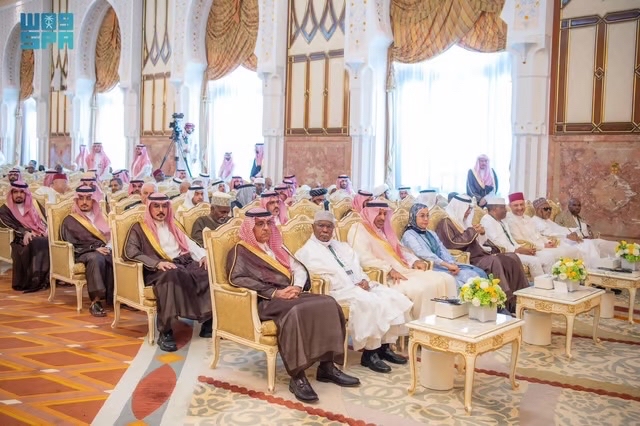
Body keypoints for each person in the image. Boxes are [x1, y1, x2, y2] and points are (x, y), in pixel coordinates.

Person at [227, 208, 360, 402]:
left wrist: (297, 287)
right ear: (250, 228)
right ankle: (297, 377)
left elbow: (298, 268)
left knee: (329, 303)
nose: (266, 228)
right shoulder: (241, 250)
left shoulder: (277, 247)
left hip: (289, 293)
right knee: (296, 311)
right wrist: (275, 292)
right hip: (265, 300)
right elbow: (237, 278)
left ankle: (327, 366)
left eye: (268, 223)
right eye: (260, 224)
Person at [297, 211, 412, 373]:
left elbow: (357, 266)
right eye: (321, 226)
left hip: (358, 286)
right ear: (313, 227)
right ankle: (370, 353)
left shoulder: (342, 246)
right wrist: (353, 286)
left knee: (393, 297)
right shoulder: (306, 252)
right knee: (370, 302)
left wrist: (363, 280)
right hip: (336, 292)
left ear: (333, 228)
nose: (325, 230)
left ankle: (384, 347)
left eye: (329, 226)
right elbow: (319, 278)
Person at [123, 193, 212, 351]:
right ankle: (166, 331)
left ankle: (207, 322)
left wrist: (203, 256)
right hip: (158, 269)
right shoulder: (139, 228)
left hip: (183, 263)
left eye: (164, 206)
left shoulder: (173, 224)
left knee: (207, 271)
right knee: (170, 276)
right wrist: (157, 263)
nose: (161, 210)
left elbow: (189, 244)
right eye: (156, 206)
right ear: (149, 208)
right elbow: (131, 252)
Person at [348, 201, 457, 319]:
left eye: (385, 214)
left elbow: (400, 250)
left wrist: (414, 261)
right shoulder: (359, 229)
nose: (383, 218)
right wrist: (389, 269)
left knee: (446, 279)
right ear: (369, 213)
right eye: (379, 214)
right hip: (387, 276)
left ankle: (445, 321)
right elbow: (363, 258)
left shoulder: (385, 229)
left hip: (403, 269)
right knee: (421, 289)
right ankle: (422, 326)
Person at [435, 194, 529, 312]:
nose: (469, 212)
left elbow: (479, 242)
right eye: (467, 209)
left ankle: (519, 298)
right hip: (469, 258)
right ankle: (501, 303)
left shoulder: (463, 221)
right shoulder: (446, 223)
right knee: (494, 261)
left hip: (479, 253)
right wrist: (473, 231)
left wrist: (482, 233)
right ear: (459, 207)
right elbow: (452, 243)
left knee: (511, 257)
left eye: (470, 209)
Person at [401, 203, 487, 289]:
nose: (426, 219)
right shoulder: (409, 235)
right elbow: (424, 254)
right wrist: (447, 265)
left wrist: (451, 263)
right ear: (414, 217)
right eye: (422, 216)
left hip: (443, 265)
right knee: (463, 280)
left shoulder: (430, 233)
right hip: (429, 268)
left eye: (427, 215)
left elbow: (442, 249)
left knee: (478, 273)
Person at [60, 185, 114, 317]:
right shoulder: (70, 220)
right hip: (83, 252)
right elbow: (71, 242)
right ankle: (96, 301)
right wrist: (94, 248)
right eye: (81, 198)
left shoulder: (102, 217)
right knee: (96, 258)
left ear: (93, 200)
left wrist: (108, 247)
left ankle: (117, 297)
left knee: (119, 257)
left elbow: (112, 237)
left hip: (105, 249)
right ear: (76, 200)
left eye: (88, 198)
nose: (84, 202)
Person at [0, 181, 49, 293]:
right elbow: (10, 225)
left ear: (26, 193)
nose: (19, 195)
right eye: (15, 192)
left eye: (22, 192)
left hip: (40, 235)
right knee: (37, 241)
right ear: (11, 193)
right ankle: (35, 280)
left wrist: (47, 230)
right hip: (19, 240)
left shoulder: (35, 204)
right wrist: (25, 232)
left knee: (44, 240)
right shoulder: (5, 209)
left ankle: (45, 278)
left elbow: (46, 219)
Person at [506, 192, 580, 266]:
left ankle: (570, 272)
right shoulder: (510, 221)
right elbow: (520, 241)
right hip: (531, 249)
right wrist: (543, 245)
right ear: (510, 206)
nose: (520, 208)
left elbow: (538, 234)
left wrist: (548, 242)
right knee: (549, 257)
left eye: (521, 204)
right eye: (516, 205)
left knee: (568, 250)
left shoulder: (527, 218)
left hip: (541, 246)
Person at [480, 196, 546, 277]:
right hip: (503, 254)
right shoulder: (487, 221)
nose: (506, 210)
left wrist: (521, 248)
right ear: (494, 209)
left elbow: (511, 239)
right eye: (503, 208)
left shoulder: (501, 221)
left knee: (542, 257)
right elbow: (496, 242)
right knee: (534, 261)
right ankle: (540, 284)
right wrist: (517, 250)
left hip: (514, 251)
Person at [531, 198, 601, 264]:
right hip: (557, 242)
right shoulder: (534, 221)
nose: (549, 211)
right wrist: (566, 236)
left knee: (588, 243)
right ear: (537, 210)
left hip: (564, 239)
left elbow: (560, 228)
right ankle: (590, 267)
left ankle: (593, 267)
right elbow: (548, 234)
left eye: (550, 209)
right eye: (546, 209)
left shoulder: (548, 221)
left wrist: (572, 233)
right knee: (586, 245)